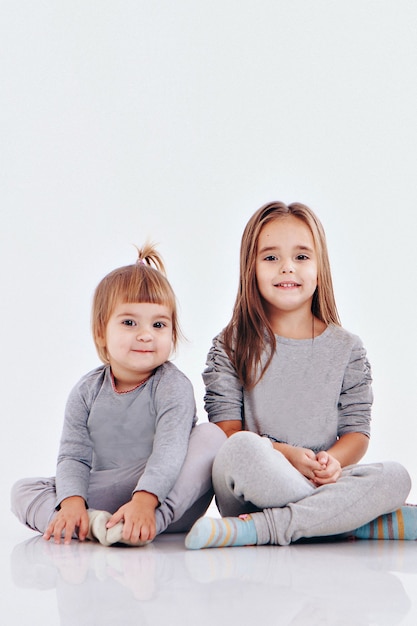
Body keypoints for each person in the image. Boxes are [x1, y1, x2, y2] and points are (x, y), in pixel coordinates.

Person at [185, 201, 415, 550]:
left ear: (320, 270)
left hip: (321, 482)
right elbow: (229, 435)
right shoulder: (230, 345)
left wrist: (331, 463)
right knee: (241, 449)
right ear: (251, 269)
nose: (287, 268)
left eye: (302, 257)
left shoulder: (346, 348)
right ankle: (350, 520)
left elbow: (356, 431)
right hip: (253, 485)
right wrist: (285, 455)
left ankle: (263, 529)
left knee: (396, 476)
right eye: (271, 257)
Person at [11, 243, 225, 546]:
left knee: (212, 436)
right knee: (24, 490)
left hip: (168, 499)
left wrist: (145, 501)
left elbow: (169, 454)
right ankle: (94, 524)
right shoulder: (86, 392)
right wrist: (72, 502)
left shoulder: (172, 386)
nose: (145, 334)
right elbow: (74, 456)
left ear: (172, 334)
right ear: (101, 332)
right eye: (129, 322)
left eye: (159, 324)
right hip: (106, 493)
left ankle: (143, 524)